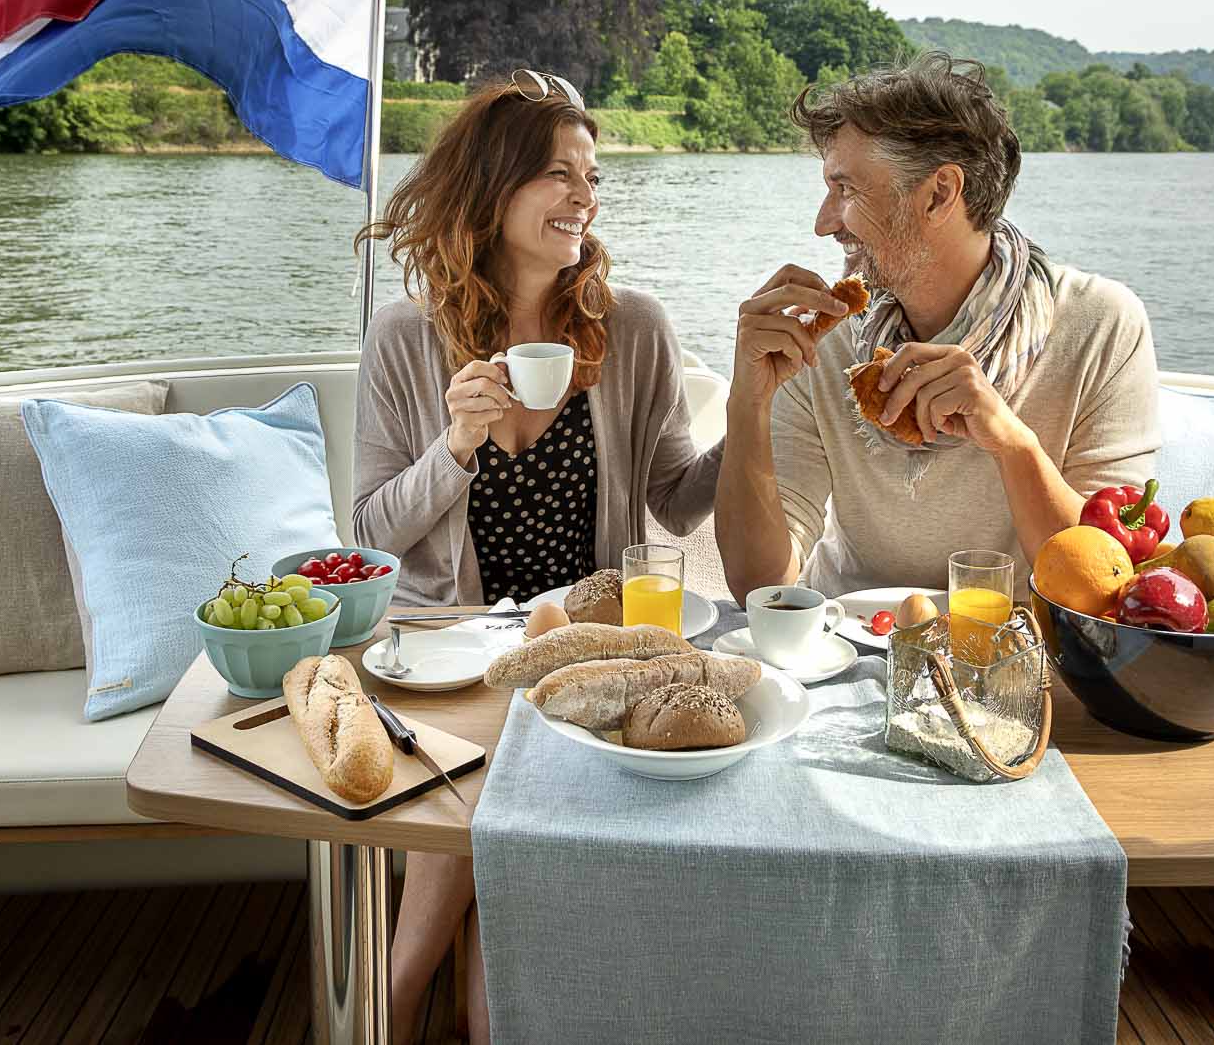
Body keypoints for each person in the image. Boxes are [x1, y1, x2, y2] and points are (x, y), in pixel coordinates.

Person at [351, 68, 722, 1044]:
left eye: (591, 177)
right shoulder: (404, 338)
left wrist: (765, 413)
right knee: (485, 774)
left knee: (497, 787)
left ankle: (399, 1008)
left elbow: (677, 496)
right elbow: (370, 534)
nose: (584, 197)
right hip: (448, 653)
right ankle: (408, 1001)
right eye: (559, 173)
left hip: (580, 652)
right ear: (493, 185)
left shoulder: (630, 327)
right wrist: (455, 448)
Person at [716, 52, 1159, 602]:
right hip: (841, 639)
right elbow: (761, 584)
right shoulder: (819, 340)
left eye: (846, 190)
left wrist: (1011, 443)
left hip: (1012, 644)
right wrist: (748, 400)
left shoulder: (1100, 325)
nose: (823, 223)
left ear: (939, 194)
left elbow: (1108, 588)